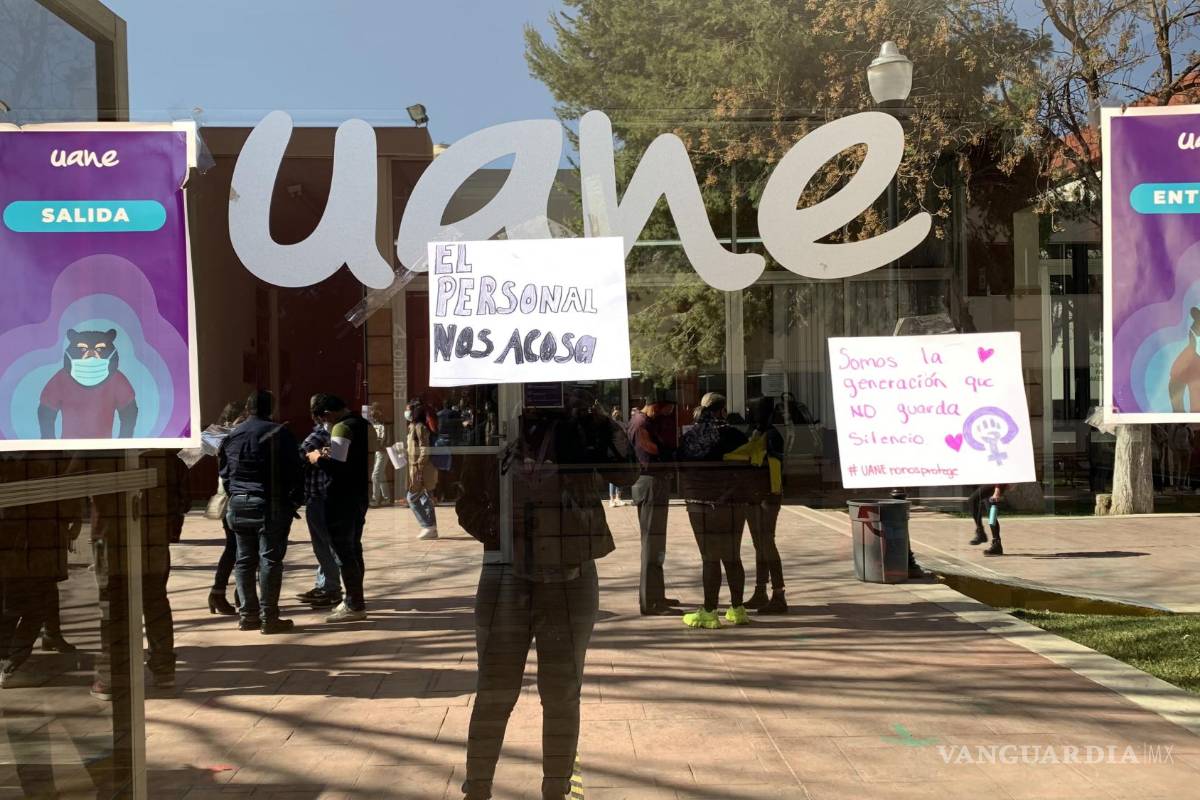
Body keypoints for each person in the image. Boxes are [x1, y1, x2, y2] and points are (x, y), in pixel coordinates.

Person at [462, 387, 628, 800]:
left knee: (561, 692)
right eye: (533, 389)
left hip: (571, 573)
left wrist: (595, 419)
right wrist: (506, 531)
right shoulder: (496, 428)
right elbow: (466, 501)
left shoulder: (580, 428)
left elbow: (626, 474)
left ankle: (556, 787)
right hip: (506, 573)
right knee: (495, 688)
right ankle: (477, 788)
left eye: (551, 388)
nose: (541, 397)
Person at [88, 449, 187, 700]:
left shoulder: (100, 447)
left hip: (111, 535)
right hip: (152, 535)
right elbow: (181, 495)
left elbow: (73, 481)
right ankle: (163, 669)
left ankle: (111, 676)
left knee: (112, 605)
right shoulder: (162, 452)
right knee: (155, 602)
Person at [219, 390, 304, 634]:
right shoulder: (279, 433)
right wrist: (294, 501)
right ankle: (269, 617)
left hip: (238, 502)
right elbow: (295, 469)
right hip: (269, 503)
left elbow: (225, 473)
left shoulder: (232, 435)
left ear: (248, 408)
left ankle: (248, 615)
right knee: (270, 560)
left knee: (244, 560)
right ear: (272, 409)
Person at [678, 392, 752, 629]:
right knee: (732, 556)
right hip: (733, 503)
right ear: (722, 411)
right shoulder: (736, 436)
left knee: (709, 558)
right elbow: (749, 467)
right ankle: (738, 609)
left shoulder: (691, 436)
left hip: (699, 503)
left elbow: (680, 467)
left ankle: (710, 611)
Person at [310, 394, 372, 623]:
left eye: (322, 419)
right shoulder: (363, 424)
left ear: (327, 414)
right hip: (359, 494)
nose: (324, 424)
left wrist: (317, 458)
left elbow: (337, 467)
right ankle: (354, 599)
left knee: (344, 551)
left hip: (340, 497)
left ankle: (354, 604)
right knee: (354, 548)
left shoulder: (341, 428)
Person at [628, 393, 680, 615]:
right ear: (658, 406)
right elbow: (652, 449)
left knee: (656, 543)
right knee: (652, 544)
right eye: (669, 409)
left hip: (652, 482)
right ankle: (651, 602)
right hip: (650, 483)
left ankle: (657, 595)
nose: (670, 414)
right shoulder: (641, 423)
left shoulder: (643, 421)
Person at [740, 397, 788, 614]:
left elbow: (767, 464)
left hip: (768, 496)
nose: (751, 414)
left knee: (767, 542)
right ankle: (761, 591)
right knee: (760, 544)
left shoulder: (772, 435)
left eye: (754, 410)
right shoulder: (756, 432)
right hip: (755, 495)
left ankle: (778, 593)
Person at [295, 395, 342, 608]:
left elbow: (299, 455)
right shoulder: (337, 434)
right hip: (330, 497)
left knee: (323, 546)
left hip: (318, 497)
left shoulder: (318, 436)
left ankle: (330, 588)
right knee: (328, 545)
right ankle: (324, 584)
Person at [208, 400, 246, 616]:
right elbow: (189, 455)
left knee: (236, 547)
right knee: (237, 547)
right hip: (232, 495)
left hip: (231, 493)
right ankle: (227, 593)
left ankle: (228, 593)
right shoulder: (222, 434)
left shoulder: (221, 433)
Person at [406, 399, 439, 540]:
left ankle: (427, 525)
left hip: (421, 468)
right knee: (426, 498)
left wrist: (419, 466)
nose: (406, 412)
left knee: (412, 498)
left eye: (408, 409)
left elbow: (424, 449)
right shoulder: (412, 426)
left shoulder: (419, 427)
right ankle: (431, 528)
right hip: (417, 467)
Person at [968, 484, 1004, 556]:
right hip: (988, 482)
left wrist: (997, 489)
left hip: (994, 483)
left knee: (973, 500)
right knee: (990, 511)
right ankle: (996, 544)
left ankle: (982, 534)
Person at [368, 402, 392, 507]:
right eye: (371, 411)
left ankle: (375, 499)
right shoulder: (373, 422)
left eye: (374, 410)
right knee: (381, 475)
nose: (372, 413)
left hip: (383, 451)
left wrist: (384, 446)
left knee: (375, 475)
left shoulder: (385, 422)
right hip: (376, 451)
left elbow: (389, 437)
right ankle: (387, 499)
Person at [608, 406, 626, 507]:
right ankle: (611, 499)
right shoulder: (609, 425)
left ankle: (618, 498)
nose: (616, 415)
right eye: (615, 413)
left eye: (618, 413)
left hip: (622, 454)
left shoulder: (623, 425)